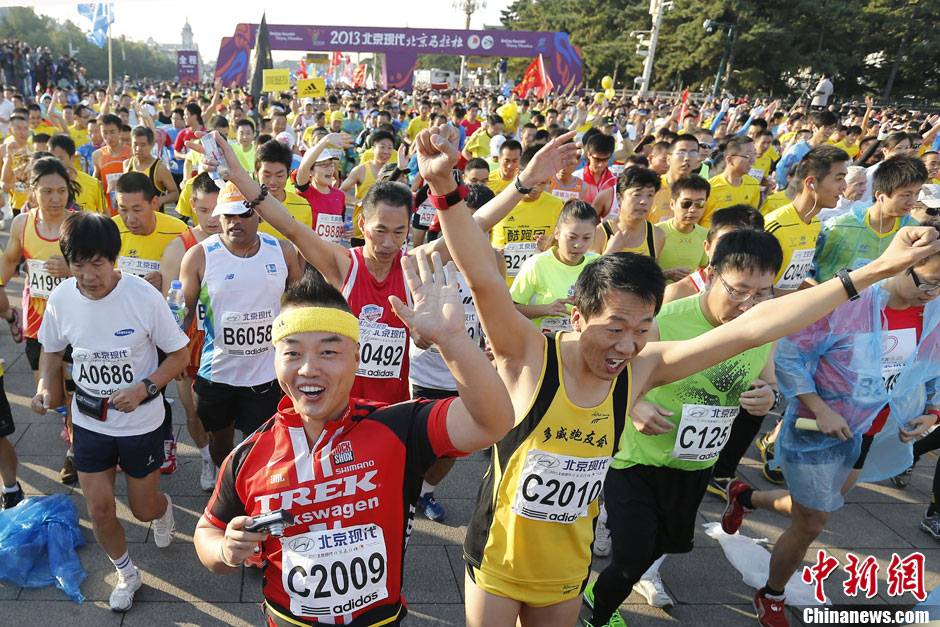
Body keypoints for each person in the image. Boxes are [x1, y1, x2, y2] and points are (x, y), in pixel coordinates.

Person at [418, 122, 940, 627]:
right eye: (614, 327)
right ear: (577, 316)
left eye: (642, 328)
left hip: (567, 565)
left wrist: (876, 270)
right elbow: (482, 277)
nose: (627, 345)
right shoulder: (529, 355)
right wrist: (445, 187)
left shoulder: (641, 368)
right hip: (499, 558)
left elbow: (754, 328)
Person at [192, 251, 514, 626]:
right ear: (274, 359)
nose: (309, 368)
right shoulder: (249, 455)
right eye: (292, 352)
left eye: (329, 351)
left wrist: (452, 340)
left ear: (357, 358)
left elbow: (493, 421)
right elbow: (208, 530)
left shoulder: (398, 427)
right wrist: (225, 550)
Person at [723, 238, 940, 627]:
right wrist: (821, 409)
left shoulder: (933, 313)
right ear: (902, 264)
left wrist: (931, 412)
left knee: (819, 504)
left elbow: (932, 367)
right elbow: (790, 356)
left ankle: (745, 497)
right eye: (927, 282)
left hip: (867, 431)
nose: (932, 293)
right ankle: (771, 594)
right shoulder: (850, 303)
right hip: (815, 427)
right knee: (813, 521)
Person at [588, 228, 781, 617]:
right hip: (636, 460)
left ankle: (604, 591)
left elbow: (770, 382)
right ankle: (600, 612)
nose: (749, 305)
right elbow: (613, 376)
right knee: (630, 557)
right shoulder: (665, 321)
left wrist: (768, 397)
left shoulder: (765, 327)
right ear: (711, 274)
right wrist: (636, 405)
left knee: (662, 546)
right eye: (739, 291)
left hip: (695, 464)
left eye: (762, 294)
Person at [32, 212, 189, 613]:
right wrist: (45, 387)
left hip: (141, 422)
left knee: (142, 507)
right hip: (89, 420)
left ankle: (163, 510)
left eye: (97, 263)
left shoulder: (143, 296)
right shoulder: (61, 298)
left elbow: (179, 354)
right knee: (99, 508)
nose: (88, 275)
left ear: (113, 259)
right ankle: (127, 574)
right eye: (78, 264)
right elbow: (51, 348)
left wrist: (144, 388)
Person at [178, 181, 302, 468]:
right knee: (221, 444)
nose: (235, 222)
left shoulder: (283, 251)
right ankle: (225, 481)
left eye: (244, 214)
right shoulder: (199, 256)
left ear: (259, 214)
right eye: (228, 215)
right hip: (218, 374)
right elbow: (184, 312)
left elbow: (298, 308)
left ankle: (252, 489)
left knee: (262, 446)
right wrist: (175, 351)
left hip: (266, 374)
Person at [0, 156, 77, 483]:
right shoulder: (23, 224)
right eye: (47, 191)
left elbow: (101, 268)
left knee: (75, 394)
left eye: (61, 191)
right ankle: (70, 425)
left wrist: (71, 269)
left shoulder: (79, 224)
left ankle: (75, 451)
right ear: (33, 191)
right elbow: (9, 261)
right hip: (38, 324)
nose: (55, 198)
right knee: (51, 397)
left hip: (76, 324)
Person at [112, 171, 188, 472]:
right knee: (125, 387)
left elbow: (190, 278)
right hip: (120, 326)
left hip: (159, 326)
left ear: (155, 203)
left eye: (137, 209)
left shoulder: (177, 230)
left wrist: (166, 280)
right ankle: (127, 445)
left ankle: (166, 441)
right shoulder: (110, 230)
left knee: (156, 389)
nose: (129, 218)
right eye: (123, 209)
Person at [159, 172, 221, 491]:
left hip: (228, 341)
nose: (212, 218)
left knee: (227, 412)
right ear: (193, 206)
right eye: (204, 210)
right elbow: (169, 308)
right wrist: (175, 350)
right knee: (193, 410)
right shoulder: (178, 247)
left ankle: (227, 460)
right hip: (191, 340)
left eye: (218, 209)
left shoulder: (244, 240)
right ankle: (207, 457)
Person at [812, 156, 927, 283]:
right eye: (906, 195)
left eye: (917, 193)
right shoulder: (839, 227)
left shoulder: (914, 232)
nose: (912, 201)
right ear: (880, 195)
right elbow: (807, 269)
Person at [764, 145, 850, 293]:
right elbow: (755, 286)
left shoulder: (815, 224)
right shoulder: (774, 225)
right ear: (811, 183)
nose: (844, 186)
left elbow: (793, 280)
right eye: (839, 179)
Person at [511, 200, 599, 333]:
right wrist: (546, 309)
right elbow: (510, 309)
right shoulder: (536, 264)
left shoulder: (597, 264)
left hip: (583, 342)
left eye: (586, 238)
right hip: (542, 342)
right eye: (572, 237)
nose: (578, 245)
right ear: (557, 233)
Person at [491, 145, 565, 286]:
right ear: (518, 173)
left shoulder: (558, 206)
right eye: (533, 181)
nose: (536, 188)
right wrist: (492, 252)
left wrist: (552, 246)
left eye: (542, 183)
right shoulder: (498, 203)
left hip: (541, 285)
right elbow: (479, 240)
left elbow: (568, 247)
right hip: (504, 286)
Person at [663, 205, 766, 303]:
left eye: (745, 246)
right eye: (726, 243)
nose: (735, 253)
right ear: (707, 247)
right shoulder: (677, 294)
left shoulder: (767, 296)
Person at [592, 166, 666, 262]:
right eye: (637, 195)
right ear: (619, 198)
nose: (644, 201)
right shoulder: (599, 234)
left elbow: (654, 271)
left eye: (650, 195)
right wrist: (611, 252)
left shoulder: (657, 235)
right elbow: (589, 271)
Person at [341, 130, 397, 247]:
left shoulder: (395, 172)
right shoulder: (361, 170)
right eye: (382, 147)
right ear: (373, 148)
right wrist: (356, 201)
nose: (386, 151)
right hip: (361, 229)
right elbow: (341, 192)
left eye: (389, 148)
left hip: (385, 230)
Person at [292, 132, 349, 245]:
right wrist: (324, 142)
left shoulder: (340, 196)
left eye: (331, 164)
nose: (330, 169)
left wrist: (346, 231)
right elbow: (303, 168)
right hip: (308, 252)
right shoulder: (305, 192)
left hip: (332, 252)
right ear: (311, 171)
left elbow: (340, 225)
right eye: (324, 165)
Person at [657, 176, 711, 282]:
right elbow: (644, 274)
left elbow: (707, 270)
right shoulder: (656, 232)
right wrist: (666, 274)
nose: (692, 209)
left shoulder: (706, 235)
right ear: (672, 204)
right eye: (686, 204)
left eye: (699, 204)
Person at [703, 136, 761, 226]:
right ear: (729, 159)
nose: (753, 160)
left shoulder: (753, 185)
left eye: (754, 154)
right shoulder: (710, 187)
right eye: (748, 156)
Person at [774, 110, 838, 190]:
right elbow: (781, 170)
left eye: (832, 128)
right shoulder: (798, 149)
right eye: (826, 127)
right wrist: (784, 188)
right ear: (814, 127)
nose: (830, 131)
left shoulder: (827, 152)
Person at [123, 125, 179, 209]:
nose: (138, 149)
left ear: (151, 145)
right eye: (135, 144)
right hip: (132, 215)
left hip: (154, 215)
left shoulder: (159, 168)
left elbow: (175, 194)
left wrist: (160, 200)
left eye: (143, 145)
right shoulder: (127, 164)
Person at [49, 134, 107, 214]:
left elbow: (104, 214)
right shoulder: (44, 185)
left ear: (72, 157)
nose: (54, 163)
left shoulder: (93, 183)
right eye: (51, 158)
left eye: (60, 159)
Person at [92, 113, 131, 214]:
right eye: (105, 132)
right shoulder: (97, 155)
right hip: (108, 211)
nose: (109, 137)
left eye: (112, 132)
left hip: (129, 209)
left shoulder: (131, 153)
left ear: (120, 131)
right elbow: (94, 183)